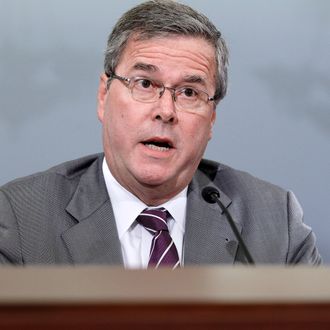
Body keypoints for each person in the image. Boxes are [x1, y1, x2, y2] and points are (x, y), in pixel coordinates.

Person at [0, 0, 321, 267]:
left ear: (211, 119)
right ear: (103, 96)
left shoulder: (276, 224)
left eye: (189, 93)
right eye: (144, 84)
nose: (165, 110)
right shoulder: (20, 219)